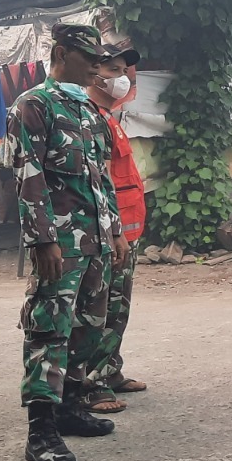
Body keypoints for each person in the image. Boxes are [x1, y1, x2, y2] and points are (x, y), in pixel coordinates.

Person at [9, 23, 129, 461]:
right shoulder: (33, 106)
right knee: (49, 326)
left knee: (88, 323)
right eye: (88, 59)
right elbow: (28, 175)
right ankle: (41, 429)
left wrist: (115, 231)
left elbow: (102, 178)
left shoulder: (90, 112)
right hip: (60, 241)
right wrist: (42, 239)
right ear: (61, 53)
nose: (98, 68)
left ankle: (71, 404)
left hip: (95, 238)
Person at [79, 42, 149, 414]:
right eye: (113, 71)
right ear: (94, 73)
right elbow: (99, 183)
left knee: (119, 306)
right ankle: (92, 382)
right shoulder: (90, 119)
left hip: (127, 232)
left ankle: (110, 368)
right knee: (99, 308)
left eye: (123, 71)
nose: (121, 78)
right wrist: (114, 232)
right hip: (109, 233)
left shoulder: (109, 118)